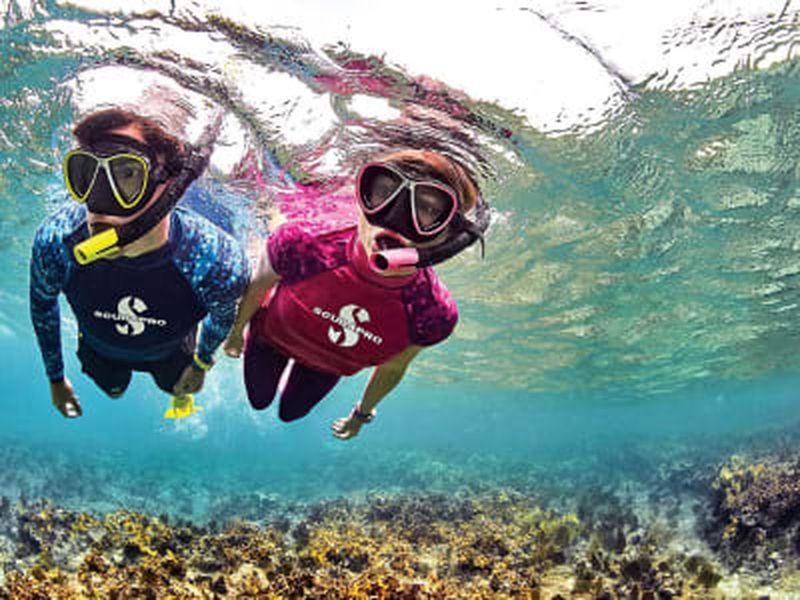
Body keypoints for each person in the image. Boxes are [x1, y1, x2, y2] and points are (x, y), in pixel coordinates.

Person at [224, 149, 489, 440]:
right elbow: (259, 285)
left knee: (292, 414)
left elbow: (394, 366)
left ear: (451, 237)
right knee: (258, 399)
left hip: (327, 368)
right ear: (361, 197)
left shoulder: (431, 313)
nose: (393, 219)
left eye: (427, 210)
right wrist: (237, 331)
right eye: (383, 192)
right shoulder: (301, 243)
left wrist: (361, 414)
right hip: (270, 340)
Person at [30, 107, 250, 419]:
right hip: (98, 349)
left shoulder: (216, 259)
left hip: (172, 353)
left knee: (175, 388)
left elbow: (221, 318)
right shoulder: (58, 241)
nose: (98, 208)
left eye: (127, 174)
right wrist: (55, 379)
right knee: (113, 390)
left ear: (172, 187)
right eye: (86, 173)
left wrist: (201, 364)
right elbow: (42, 306)